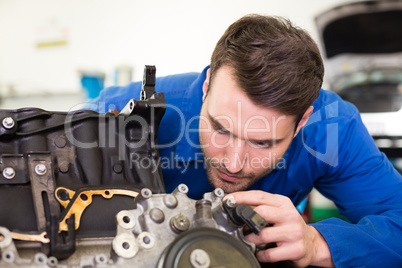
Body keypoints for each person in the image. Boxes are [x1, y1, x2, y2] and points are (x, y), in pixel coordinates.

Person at [86, 14, 402, 267]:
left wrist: (317, 244)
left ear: (302, 121)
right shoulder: (138, 109)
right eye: (221, 129)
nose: (233, 163)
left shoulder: (333, 127)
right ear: (207, 85)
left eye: (263, 143)